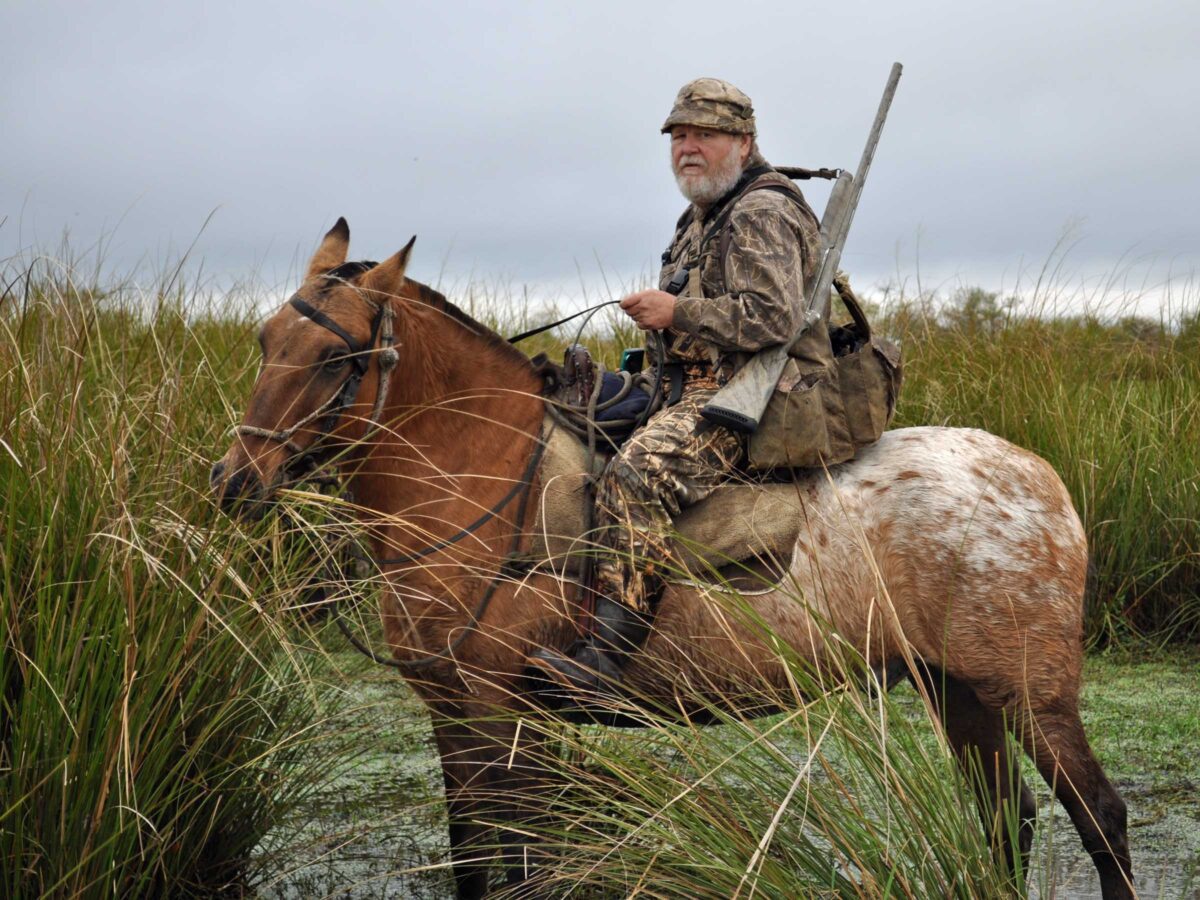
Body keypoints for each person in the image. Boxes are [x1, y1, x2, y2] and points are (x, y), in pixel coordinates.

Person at [530, 77, 832, 699]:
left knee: (636, 475)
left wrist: (677, 313)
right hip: (684, 383)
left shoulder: (762, 212)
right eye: (679, 135)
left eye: (705, 135)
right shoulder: (701, 213)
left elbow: (775, 317)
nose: (687, 147)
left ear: (743, 142)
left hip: (750, 393)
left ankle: (608, 657)